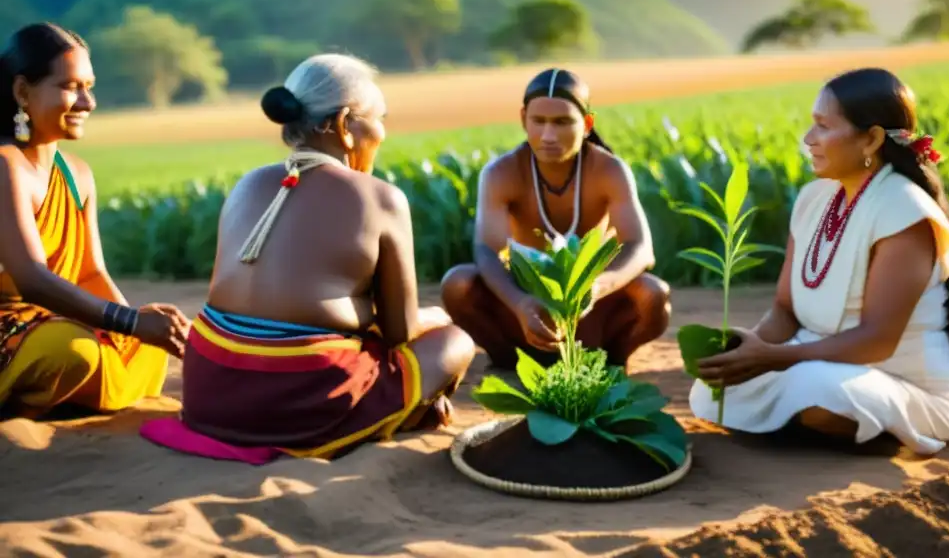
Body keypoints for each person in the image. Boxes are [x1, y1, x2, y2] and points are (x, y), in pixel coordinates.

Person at [161, 54, 475, 461]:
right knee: (455, 341)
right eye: (380, 118)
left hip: (210, 390)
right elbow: (401, 333)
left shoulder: (246, 184)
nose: (382, 131)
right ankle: (397, 414)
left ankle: (400, 411)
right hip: (294, 397)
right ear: (345, 125)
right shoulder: (380, 197)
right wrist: (438, 317)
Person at [689, 67, 949, 455]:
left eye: (823, 127)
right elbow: (785, 309)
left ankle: (876, 427)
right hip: (810, 360)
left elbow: (877, 340)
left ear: (871, 140)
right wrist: (748, 353)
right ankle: (805, 419)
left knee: (819, 392)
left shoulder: (906, 212)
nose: (808, 139)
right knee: (718, 387)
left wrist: (774, 358)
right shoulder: (815, 199)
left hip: (896, 382)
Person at [0, 23, 189, 418]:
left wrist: (133, 334)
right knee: (72, 351)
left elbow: (90, 273)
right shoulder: (5, 165)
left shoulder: (77, 173)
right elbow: (32, 280)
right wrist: (131, 322)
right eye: (71, 87)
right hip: (15, 330)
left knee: (147, 347)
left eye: (90, 86)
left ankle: (73, 391)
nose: (87, 102)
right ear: (22, 92)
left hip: (53, 322)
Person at [441, 67, 671, 371]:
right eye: (539, 121)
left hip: (589, 308)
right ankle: (509, 361)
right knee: (458, 284)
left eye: (562, 122)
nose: (548, 135)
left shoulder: (609, 170)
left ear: (587, 124)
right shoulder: (501, 173)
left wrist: (596, 288)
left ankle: (609, 362)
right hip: (523, 307)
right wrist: (520, 304)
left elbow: (640, 247)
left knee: (652, 295)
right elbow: (487, 251)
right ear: (524, 119)